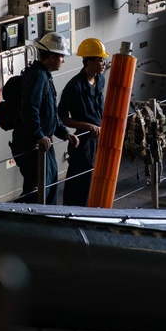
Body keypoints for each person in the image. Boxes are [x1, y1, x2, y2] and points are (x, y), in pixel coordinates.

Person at [11, 32, 80, 204]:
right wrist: (38, 135)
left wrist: (65, 133)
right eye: (61, 56)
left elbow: (50, 113)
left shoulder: (44, 76)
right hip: (33, 144)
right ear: (51, 57)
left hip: (43, 143)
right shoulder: (37, 77)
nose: (63, 60)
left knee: (48, 187)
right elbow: (29, 110)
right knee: (38, 190)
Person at [58, 38, 109, 206]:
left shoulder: (100, 80)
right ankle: (72, 212)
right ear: (89, 61)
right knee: (80, 182)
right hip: (83, 141)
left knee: (97, 178)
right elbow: (62, 116)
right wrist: (86, 126)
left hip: (98, 138)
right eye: (100, 60)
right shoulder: (74, 86)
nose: (103, 63)